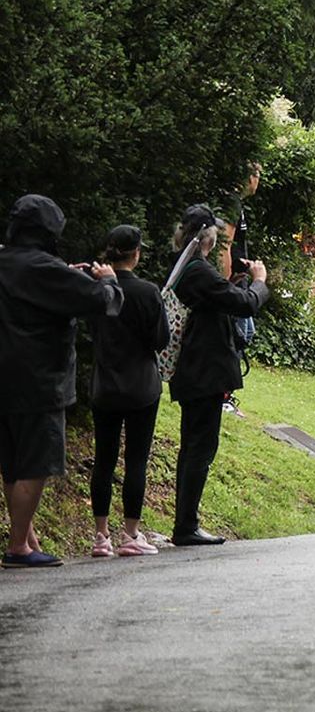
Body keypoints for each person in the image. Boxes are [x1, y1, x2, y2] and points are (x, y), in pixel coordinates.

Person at [0, 195, 123, 567]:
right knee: (37, 463)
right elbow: (103, 301)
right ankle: (18, 546)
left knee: (12, 462)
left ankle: (26, 537)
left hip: (3, 378)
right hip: (39, 380)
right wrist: (109, 280)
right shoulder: (46, 269)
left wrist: (63, 271)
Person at [168, 203, 269, 546]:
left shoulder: (185, 267)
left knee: (192, 447)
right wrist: (259, 282)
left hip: (195, 371)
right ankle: (186, 525)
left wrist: (237, 281)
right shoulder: (198, 270)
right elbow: (245, 305)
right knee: (200, 448)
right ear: (209, 238)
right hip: (204, 371)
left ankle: (186, 522)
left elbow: (221, 297)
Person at [88, 225, 170, 558]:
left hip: (105, 383)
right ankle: (131, 533)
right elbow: (160, 340)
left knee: (103, 460)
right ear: (136, 254)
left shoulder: (97, 289)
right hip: (141, 386)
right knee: (136, 459)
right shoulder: (148, 292)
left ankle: (100, 536)